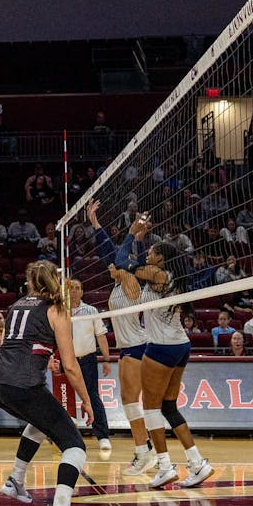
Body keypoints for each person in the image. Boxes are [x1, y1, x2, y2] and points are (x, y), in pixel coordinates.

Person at [0, 261, 96, 506]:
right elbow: (71, 366)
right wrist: (86, 399)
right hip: (23, 385)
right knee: (75, 446)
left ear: (31, 283)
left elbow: (23, 343)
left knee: (39, 421)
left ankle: (16, 480)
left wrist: (46, 358)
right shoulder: (57, 310)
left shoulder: (16, 306)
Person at [117, 215, 214, 489]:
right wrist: (139, 238)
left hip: (161, 348)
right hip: (180, 345)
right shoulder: (167, 275)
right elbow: (130, 266)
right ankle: (197, 463)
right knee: (169, 406)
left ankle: (164, 466)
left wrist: (132, 235)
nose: (148, 254)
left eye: (152, 252)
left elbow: (123, 261)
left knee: (150, 407)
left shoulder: (158, 275)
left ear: (160, 258)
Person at [87, 198, 154, 475]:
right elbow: (111, 255)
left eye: (115, 265)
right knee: (131, 404)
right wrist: (95, 223)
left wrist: (133, 233)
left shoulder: (130, 282)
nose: (109, 266)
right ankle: (146, 451)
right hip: (129, 349)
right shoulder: (119, 283)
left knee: (137, 404)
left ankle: (148, 453)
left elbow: (117, 257)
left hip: (138, 348)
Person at [61, 278, 112, 452]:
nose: (74, 291)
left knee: (92, 396)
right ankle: (61, 436)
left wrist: (106, 359)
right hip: (66, 360)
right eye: (71, 288)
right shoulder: (61, 311)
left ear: (82, 292)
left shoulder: (91, 310)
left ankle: (103, 436)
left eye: (77, 288)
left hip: (87, 359)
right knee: (62, 398)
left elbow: (101, 336)